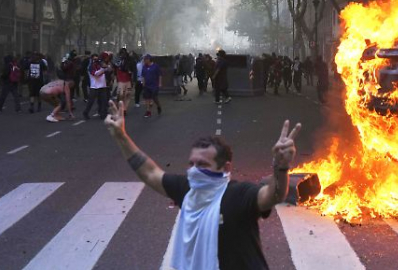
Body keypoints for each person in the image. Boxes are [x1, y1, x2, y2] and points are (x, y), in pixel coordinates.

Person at [104, 99, 300, 270]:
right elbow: (150, 173)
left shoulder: (239, 194)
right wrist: (121, 137)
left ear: (225, 167)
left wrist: (281, 167)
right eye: (192, 164)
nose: (195, 170)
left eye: (203, 164)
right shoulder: (188, 189)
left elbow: (274, 195)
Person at [83, 54, 110, 120]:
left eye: (97, 59)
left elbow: (109, 69)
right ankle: (86, 112)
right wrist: (103, 69)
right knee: (91, 101)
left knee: (104, 101)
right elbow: (96, 74)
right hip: (94, 87)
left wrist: (106, 66)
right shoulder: (90, 67)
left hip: (102, 86)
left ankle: (103, 114)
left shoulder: (100, 65)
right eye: (94, 59)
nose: (96, 61)